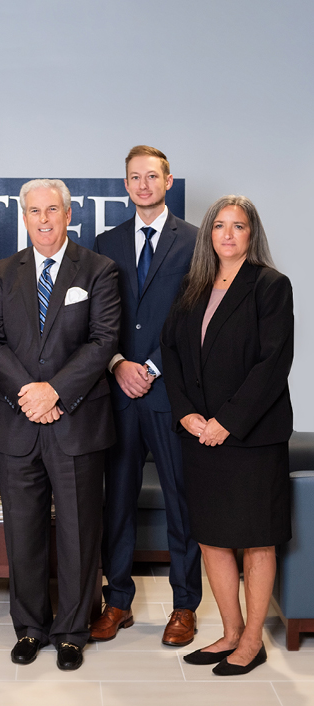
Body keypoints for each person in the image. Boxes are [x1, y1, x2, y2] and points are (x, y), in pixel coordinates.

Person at [0, 178, 120, 671]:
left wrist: (54, 391)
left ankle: (73, 632)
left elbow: (103, 341)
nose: (43, 219)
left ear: (68, 214)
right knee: (23, 531)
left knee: (80, 531)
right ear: (24, 216)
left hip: (76, 420)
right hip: (19, 422)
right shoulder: (1, 272)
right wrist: (28, 394)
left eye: (52, 210)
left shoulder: (98, 269)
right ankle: (30, 628)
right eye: (34, 211)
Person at [161, 195, 293, 675]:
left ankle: (253, 641)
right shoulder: (193, 287)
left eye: (239, 226)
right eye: (220, 226)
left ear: (251, 233)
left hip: (251, 437)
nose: (228, 235)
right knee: (213, 539)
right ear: (208, 235)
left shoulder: (271, 286)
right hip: (199, 434)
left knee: (256, 540)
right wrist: (188, 415)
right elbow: (169, 352)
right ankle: (231, 631)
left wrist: (226, 421)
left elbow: (272, 364)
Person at [91, 146, 202, 646]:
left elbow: (195, 315)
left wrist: (152, 365)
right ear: (126, 183)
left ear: (168, 180)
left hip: (169, 393)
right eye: (134, 177)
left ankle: (184, 606)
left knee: (182, 500)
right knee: (115, 501)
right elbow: (97, 317)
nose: (143, 184)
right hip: (117, 393)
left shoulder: (196, 241)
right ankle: (117, 602)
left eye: (151, 176)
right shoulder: (106, 241)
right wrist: (117, 364)